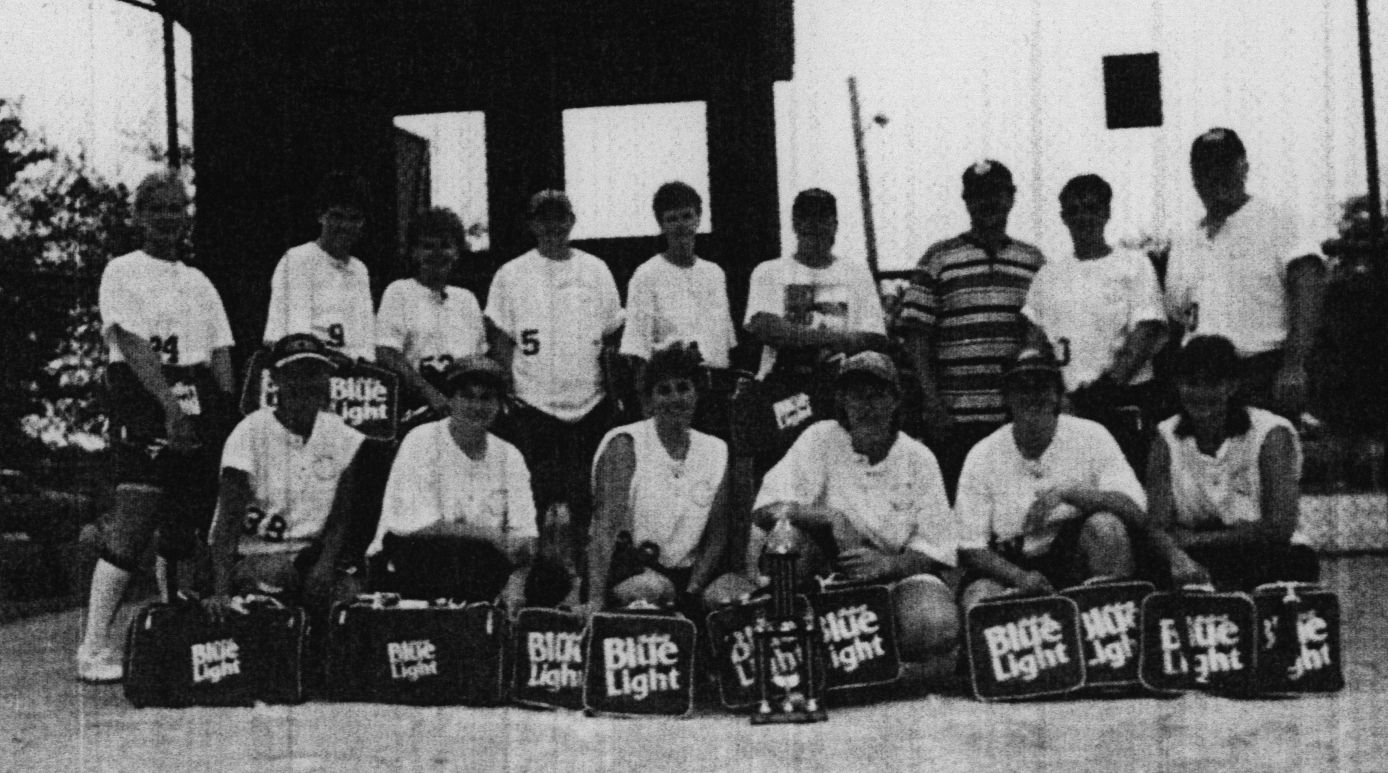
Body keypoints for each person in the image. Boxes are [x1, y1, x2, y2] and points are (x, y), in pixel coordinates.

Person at [77, 170, 237, 683]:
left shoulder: (199, 281)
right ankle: (93, 645)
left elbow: (220, 355)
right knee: (135, 519)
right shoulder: (122, 271)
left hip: (196, 397)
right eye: (158, 209)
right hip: (145, 398)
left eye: (177, 208)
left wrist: (223, 416)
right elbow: (131, 343)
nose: (169, 218)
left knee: (185, 524)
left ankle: (173, 629)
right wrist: (168, 405)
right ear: (140, 217)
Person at [750, 351, 959, 661]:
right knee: (789, 540)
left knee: (934, 625)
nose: (866, 407)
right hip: (825, 575)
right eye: (856, 396)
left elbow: (936, 548)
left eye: (876, 396)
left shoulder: (919, 458)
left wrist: (888, 565)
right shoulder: (819, 438)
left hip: (894, 578)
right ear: (842, 402)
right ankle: (805, 653)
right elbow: (765, 511)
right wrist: (831, 518)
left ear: (895, 401)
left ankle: (873, 657)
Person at [484, 190, 624, 579]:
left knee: (586, 502)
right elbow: (500, 338)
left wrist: (614, 398)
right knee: (535, 502)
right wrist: (504, 395)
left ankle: (585, 583)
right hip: (533, 407)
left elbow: (613, 336)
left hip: (589, 405)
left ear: (572, 221)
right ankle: (536, 585)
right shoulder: (510, 273)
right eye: (543, 218)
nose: (552, 226)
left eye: (559, 217)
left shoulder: (596, 270)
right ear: (532, 224)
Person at [893, 159, 1047, 498]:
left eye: (996, 194)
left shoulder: (1033, 261)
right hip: (954, 419)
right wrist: (932, 403)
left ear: (1011, 198)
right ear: (966, 200)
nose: (988, 202)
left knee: (1011, 507)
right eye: (978, 195)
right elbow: (916, 337)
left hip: (1013, 417)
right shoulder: (938, 257)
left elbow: (1041, 335)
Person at [367, 355, 568, 607]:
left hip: (480, 562)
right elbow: (415, 525)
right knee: (462, 556)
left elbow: (524, 537)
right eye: (467, 396)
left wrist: (517, 583)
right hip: (413, 555)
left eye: (486, 398)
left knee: (552, 576)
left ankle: (497, 624)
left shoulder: (510, 455)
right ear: (451, 399)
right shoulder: (422, 439)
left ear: (499, 405)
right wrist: (491, 536)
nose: (476, 406)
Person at [956, 345, 1143, 608]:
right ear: (1007, 397)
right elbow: (970, 547)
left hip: (1071, 556)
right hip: (1010, 565)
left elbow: (1133, 507)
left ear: (1057, 394)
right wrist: (1020, 578)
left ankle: (1109, 632)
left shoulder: (1092, 435)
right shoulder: (982, 454)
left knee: (1107, 528)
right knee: (978, 600)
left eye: (1042, 386)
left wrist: (1068, 494)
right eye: (1022, 387)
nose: (1033, 396)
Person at [1163, 128, 1325, 419]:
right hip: (1199, 380)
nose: (1216, 175)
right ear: (1194, 176)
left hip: (1260, 373)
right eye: (1206, 167)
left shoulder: (1279, 222)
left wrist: (1294, 366)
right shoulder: (1184, 240)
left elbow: (1308, 289)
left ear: (1244, 167)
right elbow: (1177, 316)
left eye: (1225, 165)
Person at [205, 334, 366, 618]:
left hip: (310, 554)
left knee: (349, 597)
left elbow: (341, 518)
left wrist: (325, 565)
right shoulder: (249, 432)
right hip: (256, 554)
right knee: (273, 576)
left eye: (314, 373)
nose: (305, 383)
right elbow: (227, 523)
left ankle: (321, 660)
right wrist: (220, 592)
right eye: (295, 374)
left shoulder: (342, 435)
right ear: (276, 378)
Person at [1142, 335, 1319, 591]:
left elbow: (1279, 527)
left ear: (1232, 385)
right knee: (1154, 566)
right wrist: (1178, 559)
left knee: (1294, 561)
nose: (1201, 393)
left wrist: (1199, 540)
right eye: (1192, 383)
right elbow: (1158, 526)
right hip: (1198, 555)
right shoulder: (1165, 437)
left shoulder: (1272, 433)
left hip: (1266, 554)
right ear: (1179, 385)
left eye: (1213, 383)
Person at [587, 344, 749, 616]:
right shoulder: (625, 444)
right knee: (652, 591)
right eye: (664, 390)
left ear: (697, 394)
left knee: (733, 597)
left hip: (687, 579)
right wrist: (594, 601)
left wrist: (691, 593)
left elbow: (717, 537)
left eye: (683, 388)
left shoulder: (716, 449)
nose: (675, 398)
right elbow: (604, 529)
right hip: (629, 571)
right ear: (648, 401)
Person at [1023, 174, 1166, 473]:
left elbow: (1146, 332)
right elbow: (1035, 345)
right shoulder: (1047, 276)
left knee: (1126, 492)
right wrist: (1055, 396)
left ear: (1106, 212)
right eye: (1073, 210)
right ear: (1063, 217)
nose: (1082, 217)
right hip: (1066, 408)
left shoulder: (1134, 264)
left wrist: (1103, 392)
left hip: (1122, 402)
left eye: (1091, 207)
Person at [738, 188, 887, 465]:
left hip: (839, 396)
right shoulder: (769, 271)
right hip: (784, 392)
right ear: (795, 223)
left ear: (836, 224)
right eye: (807, 217)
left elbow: (872, 338)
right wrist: (835, 337)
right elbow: (765, 326)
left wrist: (795, 335)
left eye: (823, 217)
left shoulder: (856, 273)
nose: (815, 225)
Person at [620, 182, 738, 434]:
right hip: (672, 395)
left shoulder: (714, 273)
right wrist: (648, 414)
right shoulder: (645, 275)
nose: (681, 225)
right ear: (661, 225)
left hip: (715, 394)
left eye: (687, 216)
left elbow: (725, 347)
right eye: (672, 219)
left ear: (699, 218)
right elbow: (638, 352)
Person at [376, 207, 486, 416]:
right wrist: (430, 394)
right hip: (416, 409)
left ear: (457, 251)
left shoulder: (467, 299)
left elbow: (478, 360)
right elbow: (386, 353)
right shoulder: (399, 292)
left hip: (464, 410)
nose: (437, 254)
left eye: (445, 246)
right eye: (428, 247)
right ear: (414, 252)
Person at [263, 171, 376, 362]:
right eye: (337, 216)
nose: (345, 226)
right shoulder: (298, 259)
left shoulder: (360, 271)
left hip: (353, 381)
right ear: (320, 216)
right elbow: (294, 341)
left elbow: (366, 346)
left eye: (354, 218)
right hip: (306, 372)